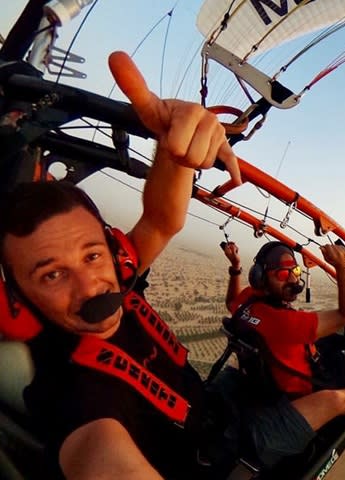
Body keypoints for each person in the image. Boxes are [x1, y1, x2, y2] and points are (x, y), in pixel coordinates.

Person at [0, 51, 244, 480]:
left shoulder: (119, 272)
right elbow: (100, 457)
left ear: (113, 254)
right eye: (51, 274)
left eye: (92, 255)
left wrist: (176, 153)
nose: (90, 285)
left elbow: (162, 220)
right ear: (17, 301)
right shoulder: (72, 397)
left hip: (210, 417)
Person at [220, 241, 345, 453]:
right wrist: (341, 267)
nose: (294, 279)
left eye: (296, 271)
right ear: (261, 278)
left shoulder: (247, 301)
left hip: (278, 372)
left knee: (336, 338)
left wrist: (235, 266)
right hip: (312, 385)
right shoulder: (284, 322)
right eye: (283, 275)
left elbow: (232, 303)